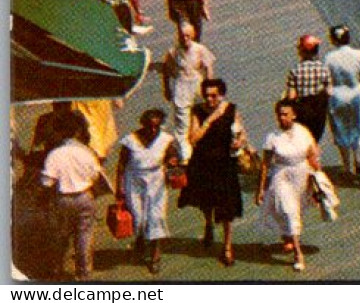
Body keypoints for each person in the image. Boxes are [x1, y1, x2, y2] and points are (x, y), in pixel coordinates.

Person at [176, 78, 245, 265]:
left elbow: (241, 133)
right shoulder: (198, 111)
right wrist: (210, 120)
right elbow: (192, 138)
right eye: (206, 95)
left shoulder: (231, 109)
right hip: (204, 162)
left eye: (214, 95)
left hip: (225, 163)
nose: (210, 99)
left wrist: (240, 142)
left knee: (227, 207)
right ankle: (208, 223)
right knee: (206, 201)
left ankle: (227, 246)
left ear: (222, 95)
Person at [38, 115, 111, 281]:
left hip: (62, 199)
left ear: (59, 132)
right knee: (84, 236)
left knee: (60, 236)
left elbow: (47, 182)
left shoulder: (54, 154)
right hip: (85, 197)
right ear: (77, 132)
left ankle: (57, 269)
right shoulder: (87, 152)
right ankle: (83, 274)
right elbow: (95, 176)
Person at [257, 98, 321, 272]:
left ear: (294, 115)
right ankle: (298, 254)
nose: (282, 118)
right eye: (279, 114)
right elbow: (265, 164)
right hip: (281, 176)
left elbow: (313, 155)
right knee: (288, 210)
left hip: (300, 175)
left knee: (296, 210)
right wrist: (261, 189)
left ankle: (288, 236)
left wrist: (318, 180)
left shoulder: (303, 132)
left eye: (285, 114)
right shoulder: (272, 137)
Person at [115, 108, 180, 274]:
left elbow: (173, 155)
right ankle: (140, 239)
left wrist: (173, 161)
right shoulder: (130, 140)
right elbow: (121, 165)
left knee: (156, 217)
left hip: (156, 180)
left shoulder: (166, 139)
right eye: (149, 127)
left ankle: (155, 256)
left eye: (156, 127)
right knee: (138, 218)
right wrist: (119, 188)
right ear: (142, 125)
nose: (153, 130)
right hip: (134, 179)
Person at [161, 22, 215, 161]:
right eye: (182, 36)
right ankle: (186, 157)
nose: (185, 39)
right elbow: (166, 71)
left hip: (197, 87)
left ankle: (204, 151)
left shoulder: (200, 49)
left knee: (201, 121)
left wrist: (210, 90)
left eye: (187, 35)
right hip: (181, 88)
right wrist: (166, 88)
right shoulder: (173, 52)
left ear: (193, 35)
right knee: (182, 126)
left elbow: (208, 68)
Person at [323, 26, 360, 177]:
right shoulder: (359, 54)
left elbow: (326, 79)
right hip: (355, 93)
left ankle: (346, 165)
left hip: (337, 94)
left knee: (340, 129)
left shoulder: (329, 57)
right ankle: (357, 158)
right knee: (357, 126)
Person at [285, 34, 333, 143]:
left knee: (303, 139)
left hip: (302, 110)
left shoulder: (295, 70)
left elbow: (291, 96)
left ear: (302, 51)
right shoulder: (323, 69)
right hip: (319, 110)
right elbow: (329, 91)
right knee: (315, 139)